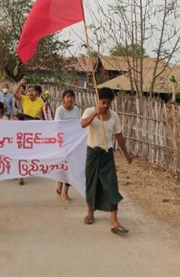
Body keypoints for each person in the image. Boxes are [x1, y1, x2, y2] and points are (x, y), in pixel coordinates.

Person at [80, 87, 132, 234]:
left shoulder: (114, 116)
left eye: (108, 103)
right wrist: (95, 113)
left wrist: (126, 154)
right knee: (92, 183)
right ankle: (90, 213)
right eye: (103, 102)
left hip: (107, 154)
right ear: (98, 100)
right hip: (92, 153)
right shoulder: (90, 111)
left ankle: (114, 221)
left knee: (112, 186)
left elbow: (119, 136)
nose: (105, 106)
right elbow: (82, 124)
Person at [54, 89, 81, 202]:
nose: (69, 99)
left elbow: (79, 124)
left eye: (71, 97)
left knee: (71, 168)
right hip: (63, 143)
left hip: (74, 143)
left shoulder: (76, 110)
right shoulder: (60, 110)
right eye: (67, 96)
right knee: (63, 166)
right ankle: (59, 182)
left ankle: (65, 192)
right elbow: (57, 126)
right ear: (63, 99)